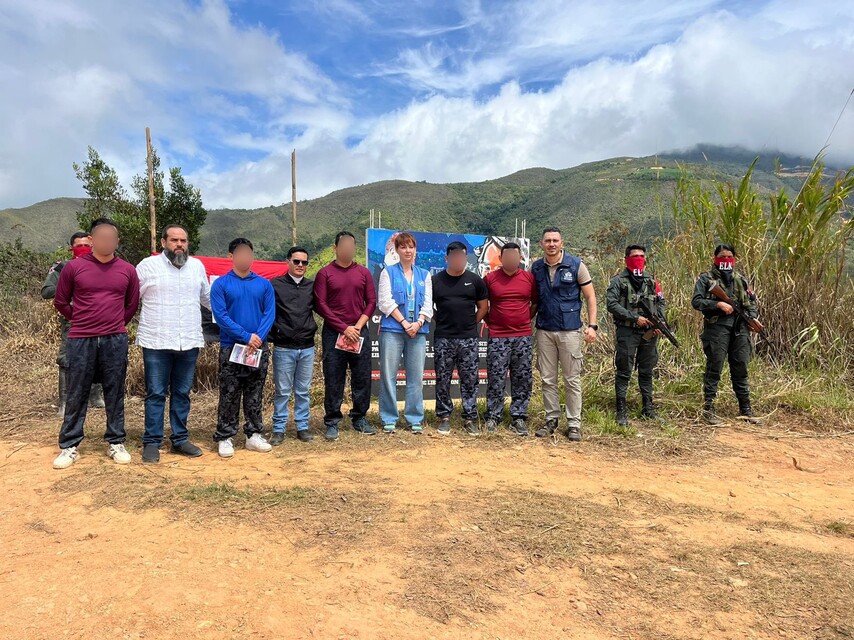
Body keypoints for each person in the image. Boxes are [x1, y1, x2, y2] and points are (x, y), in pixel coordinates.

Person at [52, 218, 140, 469]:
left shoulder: (127, 270)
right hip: (81, 338)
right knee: (77, 391)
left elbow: (132, 304)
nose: (107, 242)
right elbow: (61, 301)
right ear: (91, 240)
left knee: (114, 390)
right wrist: (81, 320)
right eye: (102, 237)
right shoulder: (74, 268)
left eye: (111, 238)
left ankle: (116, 441)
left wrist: (114, 323)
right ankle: (69, 445)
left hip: (115, 339)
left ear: (117, 241)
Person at [135, 224, 211, 463]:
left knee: (182, 393)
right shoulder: (147, 266)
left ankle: (180, 439)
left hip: (188, 340)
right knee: (156, 393)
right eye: (174, 240)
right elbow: (130, 297)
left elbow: (208, 299)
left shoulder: (197, 266)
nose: (179, 245)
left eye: (183, 241)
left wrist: (237, 314)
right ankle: (152, 442)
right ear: (163, 242)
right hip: (156, 341)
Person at [531, 227, 598, 441]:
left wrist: (593, 326)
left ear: (562, 243)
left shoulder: (576, 265)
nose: (551, 244)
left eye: (555, 240)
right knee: (547, 379)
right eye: (548, 241)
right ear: (541, 244)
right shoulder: (536, 268)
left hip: (570, 331)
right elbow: (533, 300)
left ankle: (574, 424)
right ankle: (551, 419)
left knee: (572, 379)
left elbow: (590, 296)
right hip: (545, 330)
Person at [210, 238, 276, 458]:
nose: (245, 257)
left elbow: (269, 314)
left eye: (249, 253)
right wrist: (246, 336)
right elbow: (221, 316)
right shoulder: (221, 284)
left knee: (255, 391)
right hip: (232, 347)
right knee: (229, 392)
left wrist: (257, 338)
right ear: (231, 256)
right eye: (240, 253)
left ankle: (254, 434)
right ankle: (225, 436)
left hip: (258, 348)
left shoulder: (264, 284)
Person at [313, 231, 377, 441]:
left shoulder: (363, 272)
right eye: (344, 245)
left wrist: (357, 326)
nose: (348, 249)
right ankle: (332, 421)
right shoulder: (325, 273)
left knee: (362, 377)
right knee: (334, 377)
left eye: (352, 246)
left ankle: (360, 417)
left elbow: (371, 302)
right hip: (334, 333)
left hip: (359, 332)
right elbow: (320, 305)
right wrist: (343, 328)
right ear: (335, 248)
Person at [692, 244, 763, 424]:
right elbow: (697, 301)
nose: (726, 260)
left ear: (734, 259)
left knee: (741, 366)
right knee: (714, 366)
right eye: (722, 257)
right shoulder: (706, 279)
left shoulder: (740, 279)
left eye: (729, 257)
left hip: (740, 328)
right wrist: (717, 304)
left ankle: (745, 408)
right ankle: (709, 408)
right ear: (715, 258)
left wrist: (752, 319)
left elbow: (750, 302)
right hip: (717, 328)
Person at [41, 230, 104, 415]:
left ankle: (95, 397)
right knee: (66, 359)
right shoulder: (62, 267)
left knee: (98, 355)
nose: (83, 248)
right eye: (79, 246)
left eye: (86, 245)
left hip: (99, 319)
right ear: (72, 248)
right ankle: (65, 402)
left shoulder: (102, 265)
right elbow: (46, 291)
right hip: (73, 320)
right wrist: (69, 283)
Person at [377, 232, 433, 434]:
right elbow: (385, 302)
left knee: (416, 377)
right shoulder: (388, 272)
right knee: (389, 375)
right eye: (403, 247)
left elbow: (428, 304)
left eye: (411, 247)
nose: (408, 251)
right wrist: (404, 322)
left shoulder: (424, 275)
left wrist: (418, 323)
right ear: (397, 250)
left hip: (417, 331)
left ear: (415, 249)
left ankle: (414, 418)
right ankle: (389, 417)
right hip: (392, 330)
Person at [431, 241, 489, 436]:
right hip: (443, 338)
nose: (459, 260)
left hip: (468, 339)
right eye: (454, 256)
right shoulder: (435, 281)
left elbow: (483, 307)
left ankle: (470, 417)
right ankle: (444, 417)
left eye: (462, 256)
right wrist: (441, 321)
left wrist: (471, 324)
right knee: (442, 378)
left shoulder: (475, 280)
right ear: (447, 258)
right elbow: (428, 307)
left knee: (470, 379)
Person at [606, 244, 665, 427]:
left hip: (649, 332)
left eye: (641, 256)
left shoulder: (651, 280)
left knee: (647, 370)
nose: (639, 259)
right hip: (627, 331)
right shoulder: (618, 281)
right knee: (624, 370)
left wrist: (659, 323)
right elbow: (611, 304)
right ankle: (621, 411)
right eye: (635, 256)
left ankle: (648, 408)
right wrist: (634, 317)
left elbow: (661, 302)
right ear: (626, 259)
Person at [483, 242, 537, 436]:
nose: (511, 259)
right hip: (498, 337)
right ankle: (493, 415)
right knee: (496, 377)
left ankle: (519, 417)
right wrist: (493, 323)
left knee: (522, 377)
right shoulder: (490, 279)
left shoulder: (529, 278)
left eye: (515, 256)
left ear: (520, 258)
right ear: (501, 258)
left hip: (523, 336)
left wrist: (523, 320)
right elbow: (483, 306)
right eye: (507, 256)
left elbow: (534, 303)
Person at [269, 246, 317, 445]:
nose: (300, 265)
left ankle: (302, 427)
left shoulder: (312, 286)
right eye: (296, 261)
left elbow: (323, 308)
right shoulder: (275, 285)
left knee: (303, 390)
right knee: (282, 391)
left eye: (304, 262)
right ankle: (278, 429)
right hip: (283, 347)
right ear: (288, 261)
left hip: (307, 347)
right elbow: (266, 311)